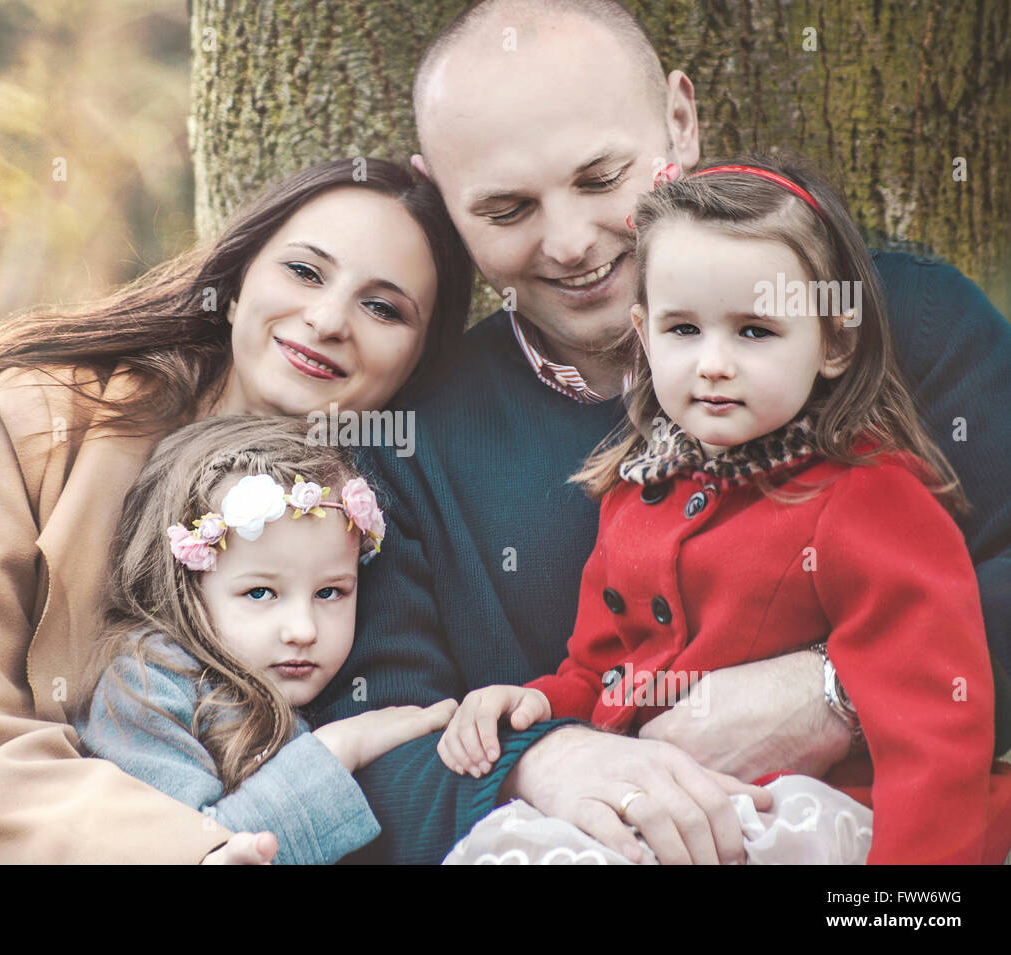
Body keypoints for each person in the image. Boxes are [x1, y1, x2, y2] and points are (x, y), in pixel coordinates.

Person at [310, 0, 1011, 865]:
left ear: (680, 118)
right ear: (442, 199)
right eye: (507, 209)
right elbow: (363, 741)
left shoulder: (904, 321)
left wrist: (837, 689)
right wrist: (539, 760)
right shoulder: (408, 437)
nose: (571, 243)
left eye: (601, 179)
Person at [0, 157, 472, 863]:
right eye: (304, 271)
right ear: (239, 281)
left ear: (420, 357)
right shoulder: (38, 422)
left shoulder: (376, 521)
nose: (329, 319)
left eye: (383, 307)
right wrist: (189, 850)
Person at [437, 158, 1011, 865]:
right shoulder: (635, 491)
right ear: (644, 333)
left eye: (754, 331)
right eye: (684, 329)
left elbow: (935, 718)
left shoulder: (867, 497)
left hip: (815, 816)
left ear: (834, 341)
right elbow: (602, 669)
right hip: (677, 811)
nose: (713, 363)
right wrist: (540, 706)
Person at [77, 414, 456, 864]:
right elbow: (192, 848)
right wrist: (337, 750)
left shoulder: (335, 684)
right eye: (260, 592)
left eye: (330, 592)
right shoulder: (146, 688)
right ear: (183, 587)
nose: (303, 630)